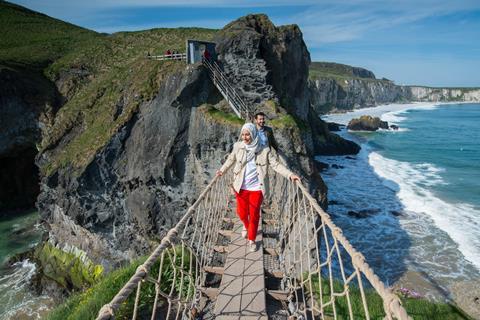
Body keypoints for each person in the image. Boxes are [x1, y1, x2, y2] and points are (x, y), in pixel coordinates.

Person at [216, 123, 300, 252]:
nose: (245, 137)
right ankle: (246, 225)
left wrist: (290, 175)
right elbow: (230, 160)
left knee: (254, 215)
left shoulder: (264, 150)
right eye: (243, 134)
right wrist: (222, 170)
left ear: (253, 134)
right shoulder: (238, 147)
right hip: (241, 187)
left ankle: (252, 240)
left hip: (257, 188)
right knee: (242, 213)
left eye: (247, 134)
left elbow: (276, 165)